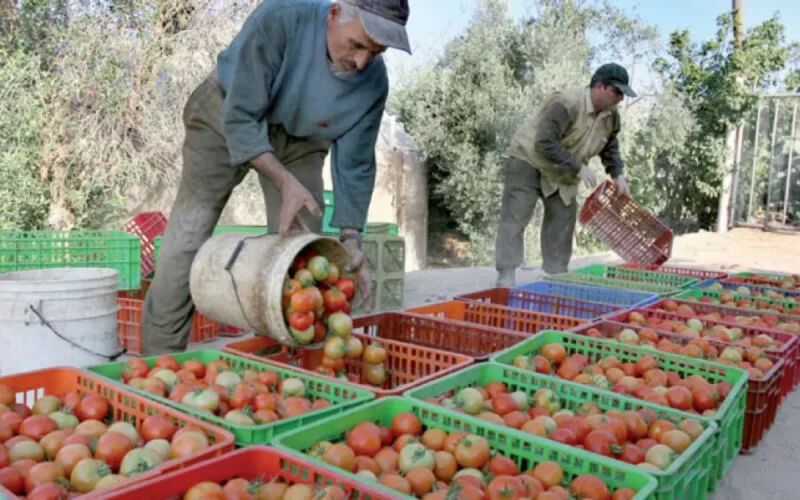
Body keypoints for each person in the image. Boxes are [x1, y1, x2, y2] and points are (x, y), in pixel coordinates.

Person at [140, 0, 411, 356]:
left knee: (304, 246)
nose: (361, 62)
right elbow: (241, 117)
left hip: (299, 138)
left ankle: (283, 366)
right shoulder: (280, 18)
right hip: (224, 114)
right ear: (333, 14)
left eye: (375, 52)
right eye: (357, 44)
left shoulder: (373, 83)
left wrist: (351, 238)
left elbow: (356, 164)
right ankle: (157, 363)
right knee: (188, 235)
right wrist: (283, 181)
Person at [494, 63, 636, 287]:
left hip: (562, 169)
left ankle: (555, 275)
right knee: (516, 215)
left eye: (623, 94)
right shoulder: (567, 103)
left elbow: (610, 146)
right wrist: (579, 168)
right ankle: (506, 274)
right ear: (599, 86)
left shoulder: (611, 116)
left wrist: (618, 174)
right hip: (529, 159)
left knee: (562, 221)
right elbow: (544, 143)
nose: (620, 98)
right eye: (617, 92)